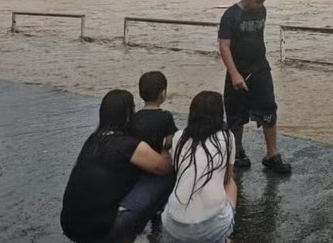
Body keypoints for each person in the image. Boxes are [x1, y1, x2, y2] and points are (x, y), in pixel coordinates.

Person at [61, 89, 173, 243]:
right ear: (128, 115)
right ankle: (148, 223)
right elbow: (164, 166)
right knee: (165, 177)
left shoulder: (93, 140)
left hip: (70, 226)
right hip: (100, 232)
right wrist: (167, 147)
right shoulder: (128, 145)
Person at [218, 0, 292, 174]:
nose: (260, 5)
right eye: (257, 1)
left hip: (260, 69)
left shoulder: (262, 11)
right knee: (236, 115)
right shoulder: (230, 16)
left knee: (269, 109)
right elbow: (224, 46)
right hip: (238, 71)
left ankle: (272, 154)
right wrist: (234, 74)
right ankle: (237, 151)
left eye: (263, 2)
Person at [163, 91, 237, 243]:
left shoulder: (179, 137)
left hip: (173, 226)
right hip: (211, 227)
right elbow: (226, 178)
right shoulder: (228, 138)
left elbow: (178, 171)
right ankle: (224, 237)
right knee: (232, 184)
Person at [128, 71, 179, 226]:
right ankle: (159, 209)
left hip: (137, 166)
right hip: (158, 167)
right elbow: (171, 140)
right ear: (163, 94)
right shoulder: (165, 117)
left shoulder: (134, 117)